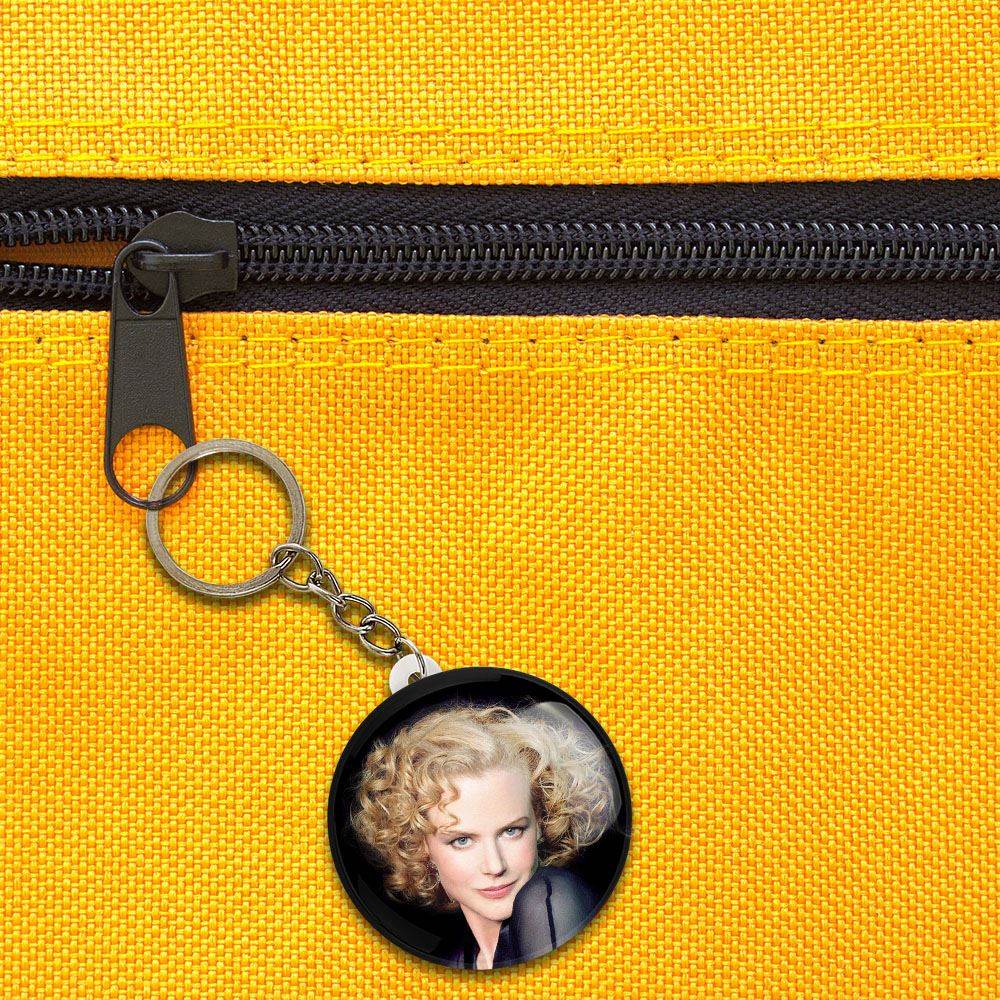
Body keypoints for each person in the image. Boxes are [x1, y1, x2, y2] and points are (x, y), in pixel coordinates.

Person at [349, 702, 617, 969]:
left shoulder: (550, 899)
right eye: (462, 840)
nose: (495, 866)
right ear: (422, 846)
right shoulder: (454, 960)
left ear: (539, 822)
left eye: (511, 831)